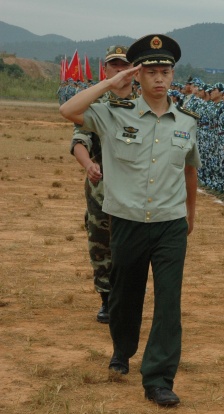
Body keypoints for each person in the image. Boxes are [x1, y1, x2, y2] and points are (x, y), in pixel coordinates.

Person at [59, 33, 200, 406]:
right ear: (138, 75)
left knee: (168, 301)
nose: (159, 77)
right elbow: (68, 111)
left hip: (169, 223)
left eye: (165, 71)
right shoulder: (113, 114)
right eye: (151, 71)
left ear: (172, 75)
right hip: (127, 220)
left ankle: (158, 378)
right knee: (124, 294)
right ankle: (122, 348)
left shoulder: (186, 122)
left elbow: (190, 170)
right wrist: (110, 83)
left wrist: (190, 214)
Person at [70, 45, 133, 324]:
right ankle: (106, 299)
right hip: (102, 188)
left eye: (125, 65)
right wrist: (88, 165)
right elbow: (79, 141)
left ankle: (127, 297)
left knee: (131, 246)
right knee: (101, 243)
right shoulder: (95, 105)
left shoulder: (146, 104)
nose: (120, 70)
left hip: (135, 189)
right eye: (114, 65)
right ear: (105, 70)